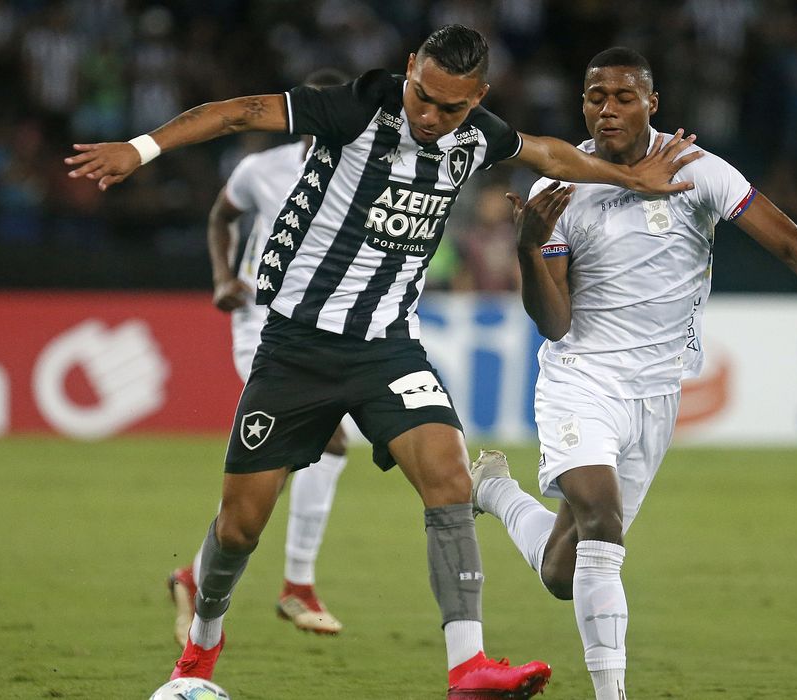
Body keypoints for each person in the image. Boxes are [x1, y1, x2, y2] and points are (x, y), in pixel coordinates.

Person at [65, 25, 699, 698]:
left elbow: (549, 153)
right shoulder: (355, 110)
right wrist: (140, 149)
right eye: (422, 97)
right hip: (297, 348)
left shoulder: (478, 135)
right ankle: (199, 654)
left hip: (387, 348)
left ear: (477, 98)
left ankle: (468, 668)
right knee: (241, 525)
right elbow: (237, 112)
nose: (430, 117)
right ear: (408, 71)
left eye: (450, 108)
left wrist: (634, 178)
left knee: (450, 477)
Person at [469, 47, 797, 700]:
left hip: (658, 393)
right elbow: (552, 323)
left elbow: (792, 245)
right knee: (601, 519)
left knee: (562, 570)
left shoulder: (700, 171)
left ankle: (493, 491)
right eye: (594, 96)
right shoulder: (561, 190)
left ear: (653, 103)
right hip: (581, 380)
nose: (607, 108)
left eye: (623, 96)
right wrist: (529, 247)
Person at [166, 69, 350, 646]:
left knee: (281, 462)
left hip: (322, 328)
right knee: (329, 439)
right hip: (261, 327)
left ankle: (194, 576)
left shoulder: (365, 170)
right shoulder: (261, 170)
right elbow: (222, 216)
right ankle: (297, 584)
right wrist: (222, 277)